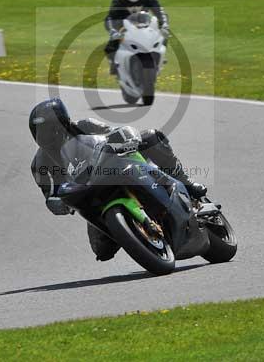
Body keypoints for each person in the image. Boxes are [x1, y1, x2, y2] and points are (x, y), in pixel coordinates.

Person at [28, 98, 207, 261]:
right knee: (101, 250)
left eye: (52, 128)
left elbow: (115, 133)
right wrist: (60, 203)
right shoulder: (40, 163)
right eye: (41, 133)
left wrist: (126, 138)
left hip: (115, 167)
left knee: (151, 137)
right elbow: (50, 194)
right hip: (91, 194)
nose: (49, 136)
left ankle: (187, 183)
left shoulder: (85, 125)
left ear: (64, 121)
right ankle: (135, 233)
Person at [104, 0, 168, 75]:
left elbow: (160, 11)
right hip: (122, 24)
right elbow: (111, 17)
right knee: (112, 42)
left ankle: (160, 55)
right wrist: (113, 31)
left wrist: (164, 24)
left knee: (163, 34)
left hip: (144, 22)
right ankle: (113, 62)